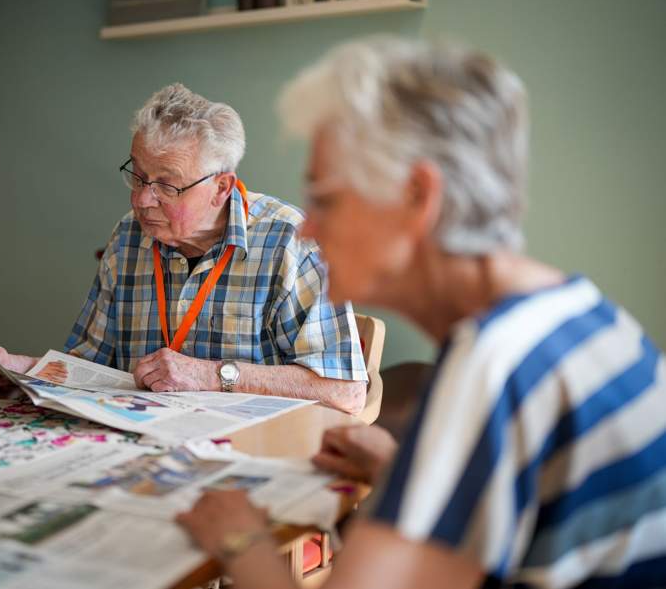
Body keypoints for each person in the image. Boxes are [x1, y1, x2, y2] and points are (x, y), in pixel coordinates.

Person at [176, 37, 666, 588]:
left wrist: (239, 538)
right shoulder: (583, 313)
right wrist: (400, 470)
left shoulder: (490, 370)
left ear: (418, 196)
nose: (308, 227)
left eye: (326, 198)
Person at [0, 84, 368, 414]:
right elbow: (88, 368)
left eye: (167, 186)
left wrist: (212, 376)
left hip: (249, 455)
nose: (142, 200)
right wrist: (14, 370)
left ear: (221, 188)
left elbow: (345, 390)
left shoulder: (291, 242)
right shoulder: (128, 237)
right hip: (140, 450)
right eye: (138, 177)